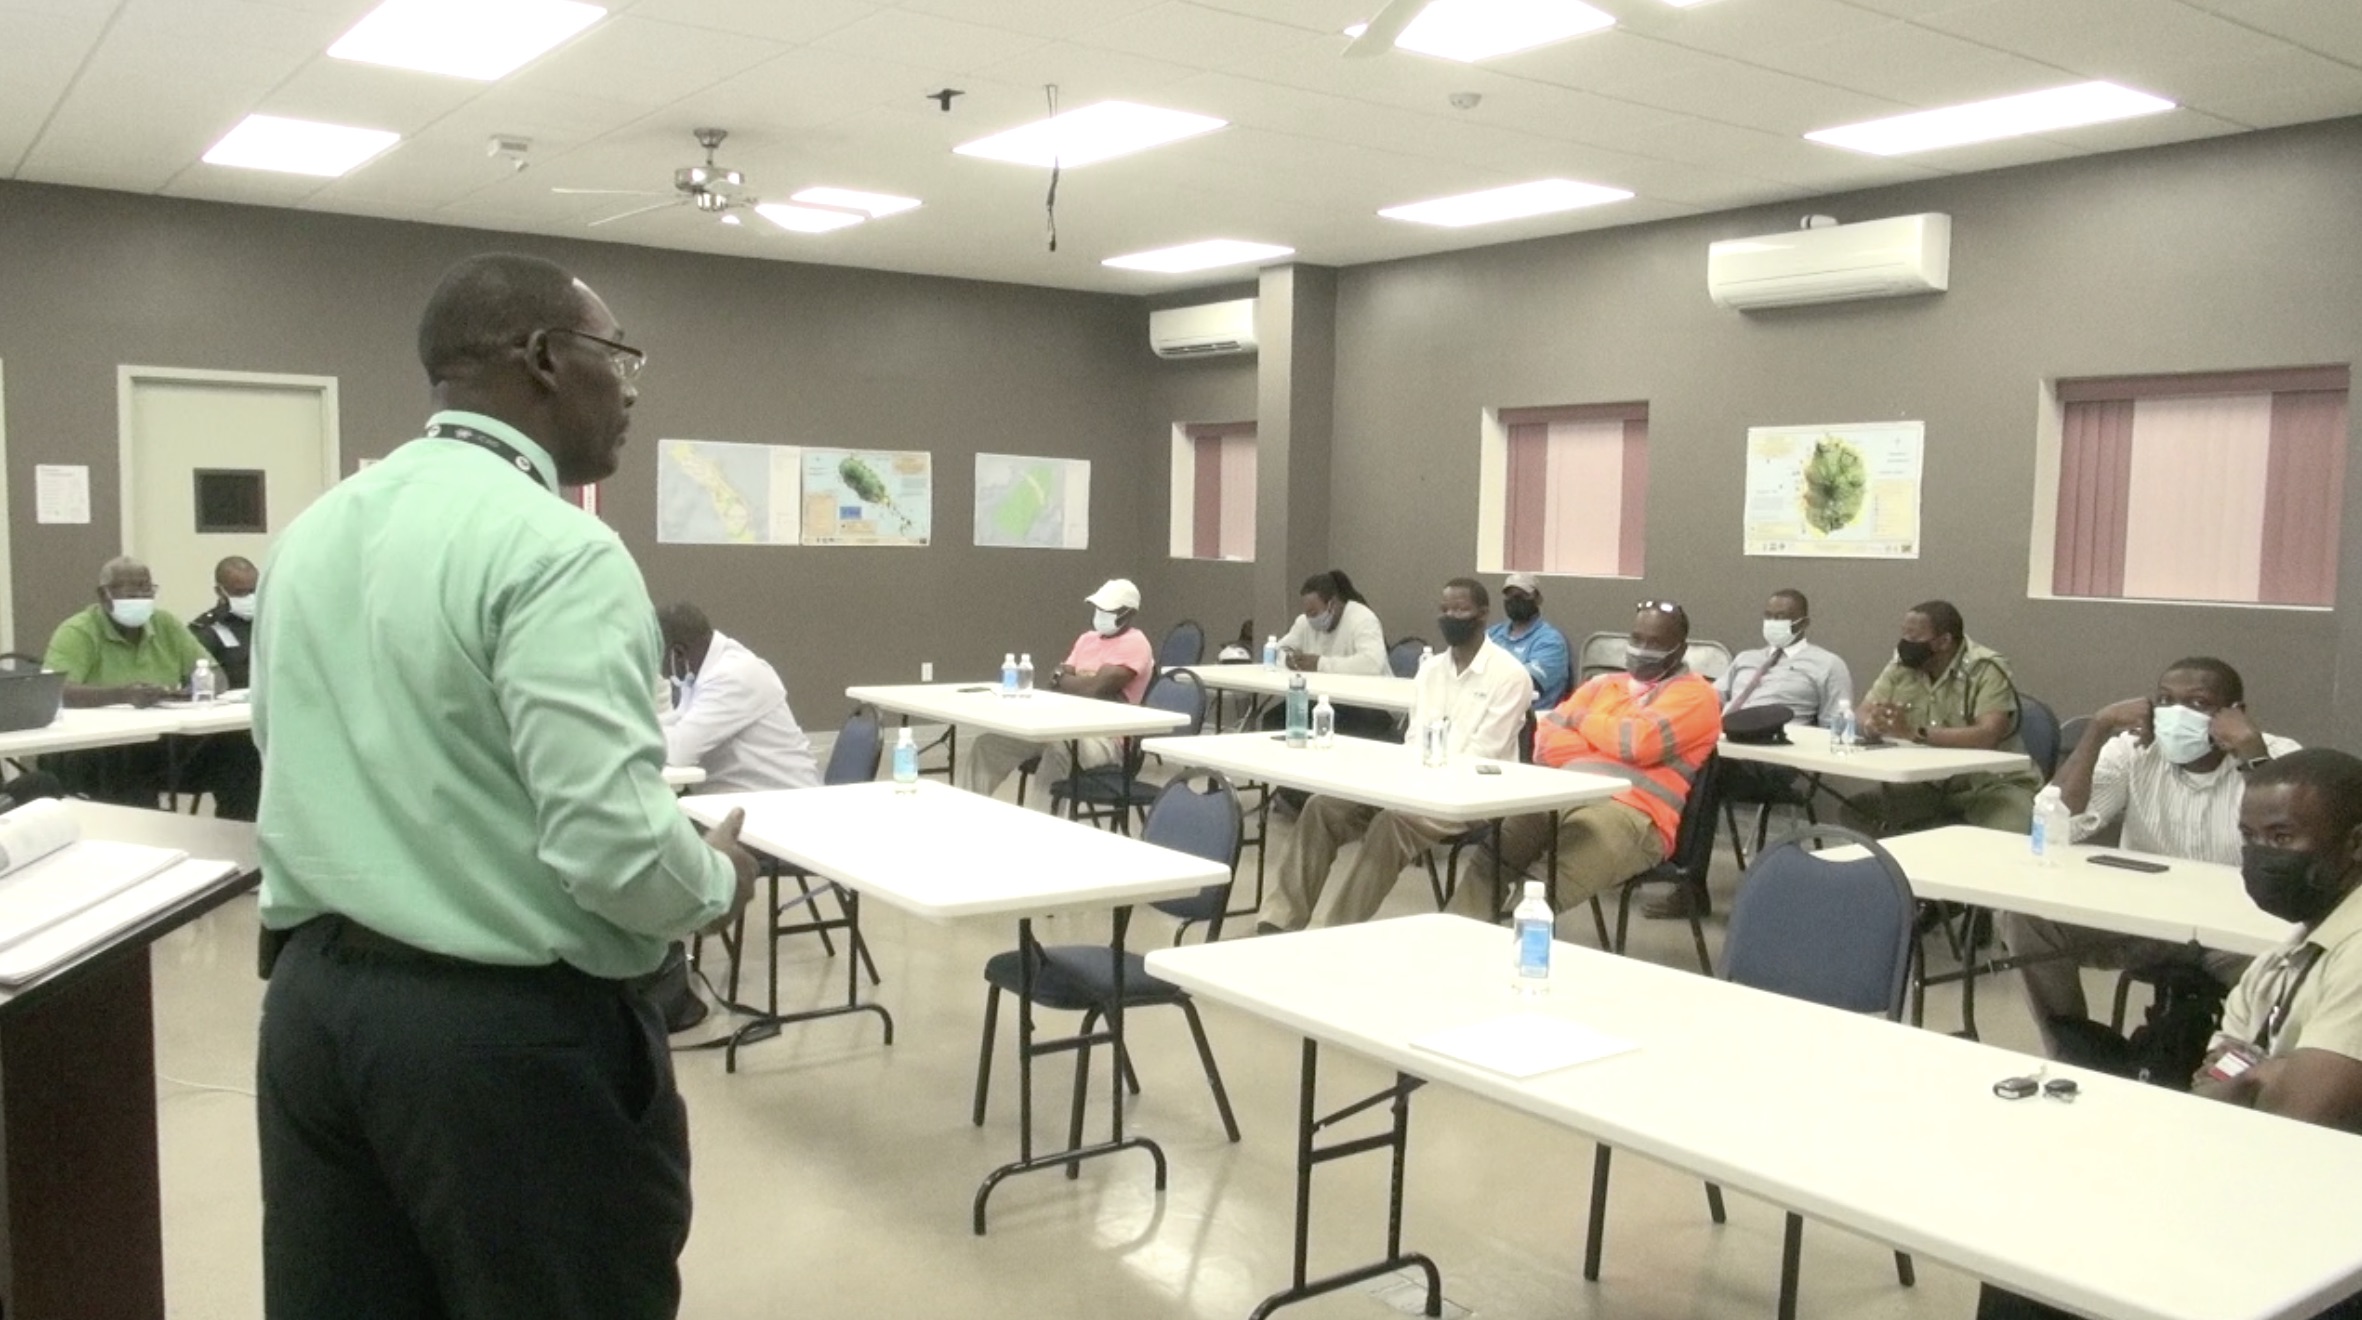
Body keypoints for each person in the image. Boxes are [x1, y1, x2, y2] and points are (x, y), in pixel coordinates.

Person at [252, 252, 757, 1320]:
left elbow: (285, 756)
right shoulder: (560, 548)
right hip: (501, 1041)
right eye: (619, 357)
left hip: (313, 1013)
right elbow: (615, 848)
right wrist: (713, 882)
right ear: (544, 358)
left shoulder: (314, 531)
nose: (630, 389)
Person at [1980, 750, 2362, 1320]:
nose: (2261, 856)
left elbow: (2301, 1113)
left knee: (2054, 1259)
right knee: (2032, 1241)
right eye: (2249, 837)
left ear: (2355, 843)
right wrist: (2269, 1074)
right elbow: (2211, 1087)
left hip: (2324, 1226)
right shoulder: (2283, 959)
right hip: (2262, 1182)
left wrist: (2259, 1078)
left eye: (2282, 838)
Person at [2003, 658, 2297, 1055]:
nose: (2177, 714)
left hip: (2237, 937)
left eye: (2198, 703)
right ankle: (2070, 1049)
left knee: (2286, 971)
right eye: (2165, 701)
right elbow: (2057, 823)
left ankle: (2245, 1071)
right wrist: (2098, 729)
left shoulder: (2277, 757)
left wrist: (2251, 754)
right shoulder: (2133, 749)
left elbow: (2293, 843)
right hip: (2145, 928)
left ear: (2235, 712)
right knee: (2026, 916)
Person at [1256, 578, 1531, 933]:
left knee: (1391, 825)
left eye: (1460, 610)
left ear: (1482, 614)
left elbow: (1483, 754)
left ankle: (1338, 930)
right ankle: (1278, 920)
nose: (1450, 617)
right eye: (1444, 610)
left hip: (1471, 795)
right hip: (1413, 782)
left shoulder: (1510, 675)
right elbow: (1415, 736)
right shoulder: (1431, 670)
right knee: (1322, 807)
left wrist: (1419, 780)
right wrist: (1399, 781)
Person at [1446, 601, 1722, 922]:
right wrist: (1607, 737)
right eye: (1637, 638)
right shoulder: (1603, 684)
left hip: (1631, 813)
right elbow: (1545, 744)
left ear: (1680, 650)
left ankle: (1508, 948)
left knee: (1537, 890)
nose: (1642, 649)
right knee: (1490, 860)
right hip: (1563, 794)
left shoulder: (1697, 695)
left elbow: (1637, 743)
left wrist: (1580, 720)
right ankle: (1452, 943)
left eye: (1656, 643)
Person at [1650, 587, 1856, 920]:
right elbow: (1710, 701)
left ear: (1803, 622)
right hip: (1723, 750)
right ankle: (1642, 860)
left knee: (1703, 772)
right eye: (1769, 615)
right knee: (1668, 759)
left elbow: (1836, 727)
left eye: (1782, 617)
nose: (1773, 622)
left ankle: (1690, 886)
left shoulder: (1828, 665)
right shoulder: (1746, 659)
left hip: (1774, 762)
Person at [43, 555, 261, 819]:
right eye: (130, 593)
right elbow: (56, 690)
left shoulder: (164, 623)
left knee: (241, 751)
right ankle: (144, 836)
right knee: (126, 764)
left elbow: (216, 674)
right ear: (104, 595)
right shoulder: (79, 631)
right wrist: (122, 694)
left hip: (163, 742)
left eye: (146, 591)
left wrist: (191, 690)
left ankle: (236, 835)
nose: (140, 598)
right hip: (98, 749)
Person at [1846, 599, 2043, 835]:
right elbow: (1862, 712)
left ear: (1944, 641)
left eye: (1914, 638)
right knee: (1857, 811)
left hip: (1991, 783)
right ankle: (1904, 860)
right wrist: (1873, 724)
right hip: (1932, 785)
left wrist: (1914, 733)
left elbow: (1988, 735)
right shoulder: (1901, 665)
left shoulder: (1985, 667)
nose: (1905, 644)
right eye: (1904, 634)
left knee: (2008, 836)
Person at [961, 578, 1154, 801]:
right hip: (1062, 727)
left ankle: (1042, 819)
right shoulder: (1087, 639)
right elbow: (1056, 681)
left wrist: (1071, 679)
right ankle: (967, 809)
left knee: (1059, 748)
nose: (1101, 614)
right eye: (1099, 608)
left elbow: (1094, 689)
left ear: (1128, 613)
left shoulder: (1135, 643)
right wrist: (1076, 679)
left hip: (1106, 740)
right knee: (988, 745)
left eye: (1108, 610)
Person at [657, 603, 820, 793]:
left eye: (659, 661)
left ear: (678, 653)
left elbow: (678, 752)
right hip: (743, 796)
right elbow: (678, 723)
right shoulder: (702, 672)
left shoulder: (732, 676)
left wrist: (636, 735)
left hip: (780, 800)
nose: (664, 674)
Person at [1272, 569, 1392, 740]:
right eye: (1307, 613)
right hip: (1323, 699)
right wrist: (1288, 659)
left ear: (1332, 604)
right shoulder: (1304, 622)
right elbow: (1278, 649)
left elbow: (1371, 663)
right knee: (1274, 720)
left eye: (1314, 613)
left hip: (1366, 702)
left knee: (1334, 728)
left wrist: (1320, 664)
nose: (1310, 619)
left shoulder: (1363, 619)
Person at [1488, 572, 1571, 710]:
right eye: (1509, 595)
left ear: (1538, 599)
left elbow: (1524, 684)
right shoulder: (1492, 634)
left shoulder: (1551, 641)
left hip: (1532, 716)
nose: (1515, 600)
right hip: (1490, 709)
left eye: (1523, 595)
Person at [188, 555, 259, 690]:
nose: (249, 597)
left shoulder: (270, 621)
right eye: (239, 592)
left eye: (253, 591)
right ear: (220, 591)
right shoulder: (206, 628)